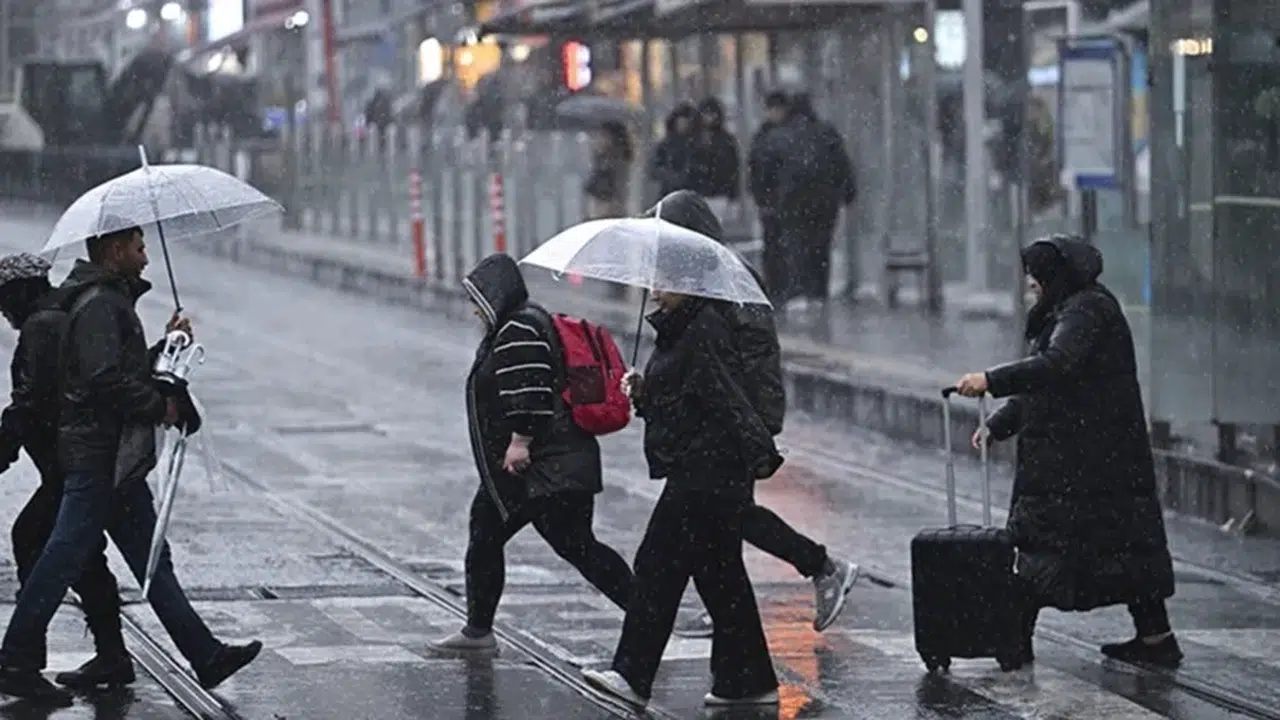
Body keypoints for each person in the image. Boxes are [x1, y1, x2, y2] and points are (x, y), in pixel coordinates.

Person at [0, 226, 262, 704]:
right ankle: (16, 659)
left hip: (113, 458)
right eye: (138, 249)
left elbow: (119, 369)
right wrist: (157, 406)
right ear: (114, 249)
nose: (145, 259)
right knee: (61, 556)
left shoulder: (106, 299)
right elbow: (103, 380)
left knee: (149, 561)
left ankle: (204, 655)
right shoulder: (101, 302)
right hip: (99, 456)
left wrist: (168, 347)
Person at [639, 190, 860, 639]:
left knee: (721, 522)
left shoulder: (722, 282)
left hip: (730, 427)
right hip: (724, 426)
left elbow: (740, 362)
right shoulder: (704, 279)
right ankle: (785, 586)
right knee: (727, 522)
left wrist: (756, 427)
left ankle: (817, 569)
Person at [953, 234, 1181, 668]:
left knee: (1044, 550)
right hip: (1097, 459)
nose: (1029, 284)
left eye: (1035, 276)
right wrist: (1000, 423)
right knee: (1124, 551)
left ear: (1054, 275)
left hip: (1082, 464)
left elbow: (1056, 368)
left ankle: (1013, 643)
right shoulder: (1074, 308)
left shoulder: (1085, 310)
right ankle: (1156, 639)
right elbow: (1051, 384)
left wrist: (991, 379)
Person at [582, 241, 782, 710]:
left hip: (708, 470)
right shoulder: (682, 327)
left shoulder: (703, 329)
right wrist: (646, 393)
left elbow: (724, 397)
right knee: (720, 576)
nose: (651, 292)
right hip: (706, 466)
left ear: (688, 285)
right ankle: (748, 680)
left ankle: (632, 673)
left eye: (661, 283)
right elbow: (687, 399)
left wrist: (760, 451)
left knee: (657, 567)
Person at [431, 253, 634, 653]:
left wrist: (520, 440)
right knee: (548, 542)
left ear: (494, 295)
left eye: (477, 299)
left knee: (559, 545)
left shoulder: (518, 329)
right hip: (547, 465)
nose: (474, 310)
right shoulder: (522, 322)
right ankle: (478, 630)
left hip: (541, 466)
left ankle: (648, 614)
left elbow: (530, 390)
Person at [0, 253, 131, 690]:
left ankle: (22, 664)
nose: (3, 311)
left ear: (22, 291)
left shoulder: (41, 326)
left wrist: (5, 445)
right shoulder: (57, 316)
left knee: (35, 540)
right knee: (84, 555)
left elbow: (30, 401)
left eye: (4, 300)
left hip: (69, 465)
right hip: (74, 463)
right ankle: (113, 656)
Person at [774, 92, 856, 313]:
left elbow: (769, 167)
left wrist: (771, 198)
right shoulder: (826, 132)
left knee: (798, 245)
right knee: (821, 246)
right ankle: (819, 292)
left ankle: (800, 291)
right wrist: (848, 192)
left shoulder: (784, 134)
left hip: (794, 201)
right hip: (825, 201)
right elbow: (842, 164)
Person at [747, 90, 793, 304]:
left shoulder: (779, 135)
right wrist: (761, 197)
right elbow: (755, 168)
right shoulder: (766, 135)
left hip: (784, 201)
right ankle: (775, 287)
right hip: (771, 201)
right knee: (772, 246)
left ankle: (781, 288)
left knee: (781, 246)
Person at [690, 97, 740, 220]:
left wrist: (733, 194)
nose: (709, 118)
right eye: (706, 114)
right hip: (698, 192)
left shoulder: (726, 140)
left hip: (719, 192)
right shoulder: (693, 139)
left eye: (712, 114)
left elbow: (733, 168)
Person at [647, 102, 699, 199]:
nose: (683, 125)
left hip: (691, 194)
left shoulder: (696, 145)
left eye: (687, 122)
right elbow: (654, 169)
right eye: (681, 122)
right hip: (668, 194)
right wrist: (671, 177)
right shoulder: (666, 145)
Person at [584, 120, 634, 221]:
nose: (597, 140)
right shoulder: (602, 160)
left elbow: (607, 190)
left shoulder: (613, 161)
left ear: (611, 138)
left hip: (606, 214)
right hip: (602, 213)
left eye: (602, 136)